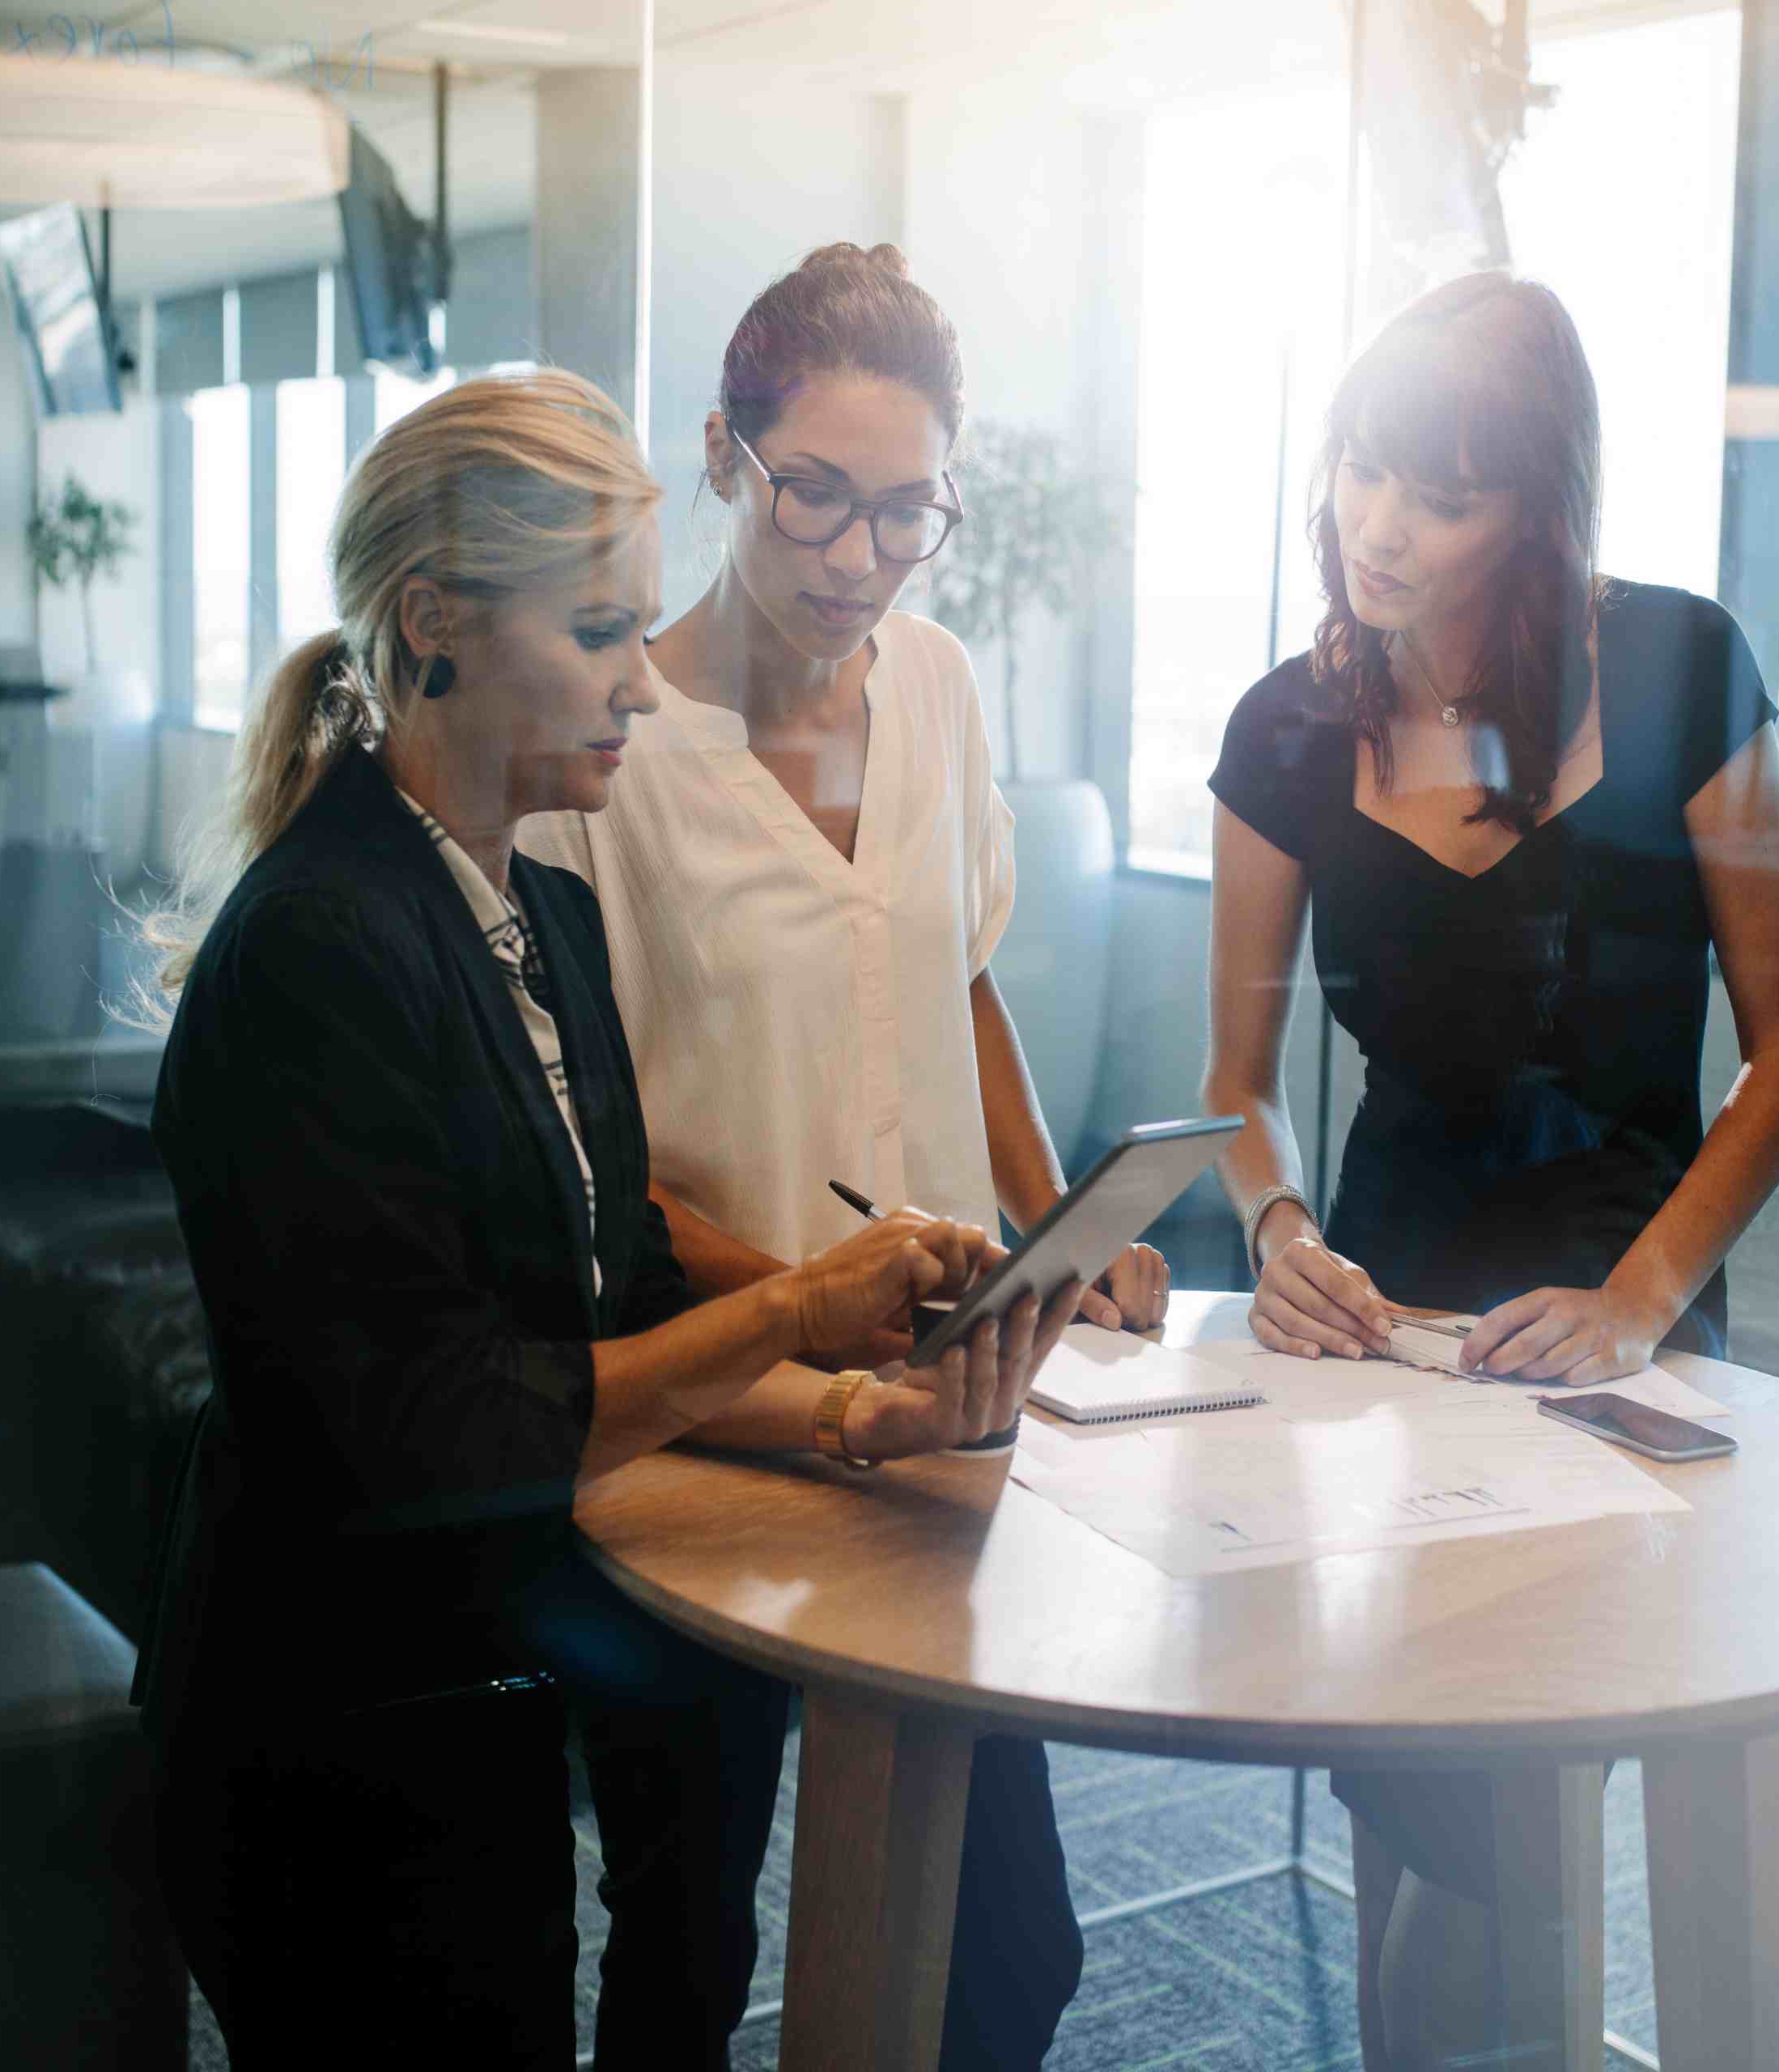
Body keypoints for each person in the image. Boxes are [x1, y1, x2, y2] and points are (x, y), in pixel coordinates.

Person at [128, 367, 1079, 2069]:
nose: (646, 685)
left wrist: (869, 1409)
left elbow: (621, 1287)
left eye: (642, 632)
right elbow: (440, 1418)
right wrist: (795, 1316)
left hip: (462, 1707)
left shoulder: (535, 912)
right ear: (433, 624)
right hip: (329, 1731)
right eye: (598, 635)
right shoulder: (324, 946)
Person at [1199, 274, 1779, 2063]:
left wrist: (1641, 1305)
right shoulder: (1287, 727)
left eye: (1445, 495)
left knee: (1524, 1806)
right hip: (1380, 1322)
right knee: (1412, 1788)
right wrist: (1277, 1221)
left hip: (1617, 1316)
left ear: (1540, 506)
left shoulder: (1682, 662)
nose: (1380, 530)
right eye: (1364, 473)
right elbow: (1238, 1085)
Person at [517, 241, 1126, 2067]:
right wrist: (804, 1312)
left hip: (943, 1416)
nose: (858, 557)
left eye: (906, 512)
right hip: (722, 1411)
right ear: (725, 455)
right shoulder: (610, 748)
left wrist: (1045, 1223)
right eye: (817, 497)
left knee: (1006, 1952)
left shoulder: (931, 685)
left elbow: (967, 974)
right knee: (687, 1944)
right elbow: (593, 1176)